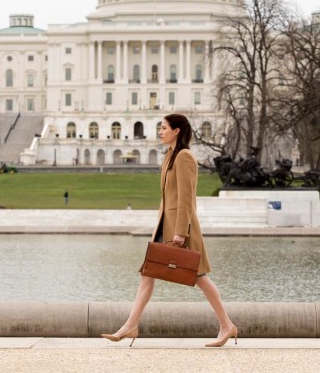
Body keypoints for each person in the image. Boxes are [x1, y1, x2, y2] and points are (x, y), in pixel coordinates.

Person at [101, 113, 237, 348]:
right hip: (166, 225)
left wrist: (181, 231)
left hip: (179, 228)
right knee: (148, 274)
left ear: (176, 131)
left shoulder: (184, 157)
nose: (160, 132)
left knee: (199, 277)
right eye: (160, 128)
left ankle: (227, 325)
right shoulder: (169, 156)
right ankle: (130, 325)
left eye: (164, 128)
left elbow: (186, 198)